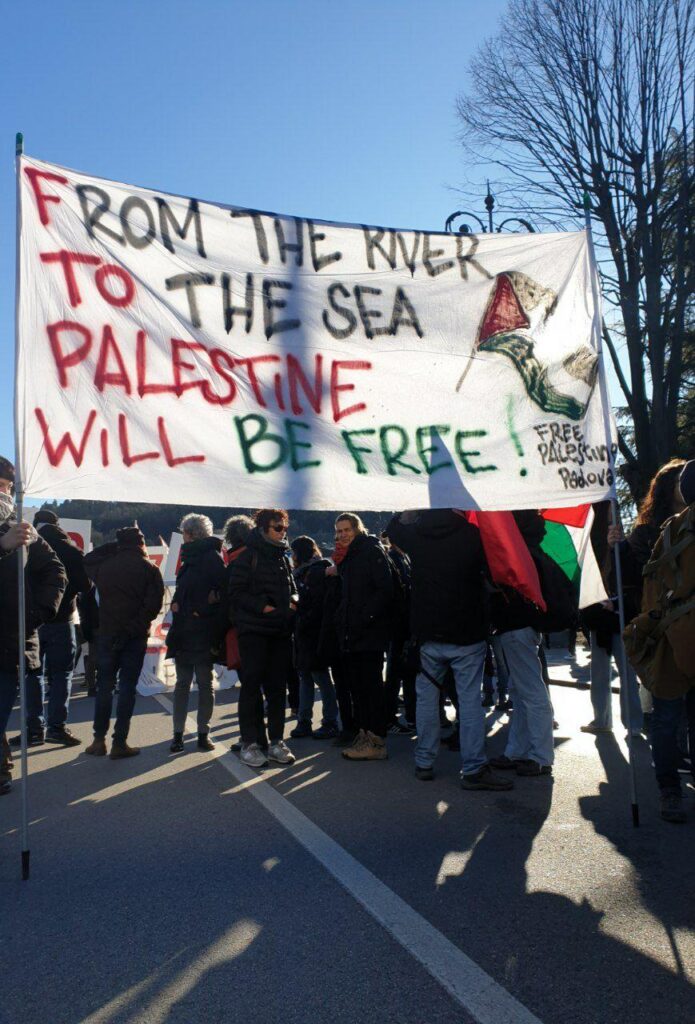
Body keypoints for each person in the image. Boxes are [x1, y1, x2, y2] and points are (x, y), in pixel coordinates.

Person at [386, 509, 512, 790]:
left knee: (427, 701)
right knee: (469, 702)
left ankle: (424, 761)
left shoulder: (417, 535)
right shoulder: (473, 535)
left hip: (428, 633)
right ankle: (474, 767)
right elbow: (495, 573)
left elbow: (393, 530)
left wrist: (405, 515)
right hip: (467, 632)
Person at [581, 464, 686, 739]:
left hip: (683, 623)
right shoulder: (647, 532)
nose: (685, 484)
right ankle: (668, 769)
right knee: (664, 695)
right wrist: (621, 548)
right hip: (658, 621)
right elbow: (634, 574)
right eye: (678, 480)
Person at [626, 460, 695, 823]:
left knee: (666, 719)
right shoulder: (668, 530)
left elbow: (652, 589)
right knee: (671, 720)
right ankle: (670, 788)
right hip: (677, 634)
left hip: (672, 636)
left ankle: (669, 791)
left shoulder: (670, 530)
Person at [489, 511, 574, 778]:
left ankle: (539, 756)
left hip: (516, 627)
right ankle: (518, 751)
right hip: (522, 627)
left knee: (530, 691)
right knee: (522, 690)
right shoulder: (532, 550)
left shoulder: (519, 553)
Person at [0, 457, 66, 793]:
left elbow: (57, 573)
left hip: (9, 646)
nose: (3, 493)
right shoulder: (9, 535)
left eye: (7, 487)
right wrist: (1, 546)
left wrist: (35, 615)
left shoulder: (26, 530)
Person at [11, 509, 93, 748]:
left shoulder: (25, 545)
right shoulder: (70, 549)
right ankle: (57, 727)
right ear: (58, 524)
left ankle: (34, 729)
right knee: (62, 674)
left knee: (32, 674)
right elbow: (86, 585)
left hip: (31, 620)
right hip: (62, 618)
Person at [83, 527, 164, 759]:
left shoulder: (104, 567)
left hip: (107, 633)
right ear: (140, 543)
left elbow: (87, 559)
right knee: (128, 687)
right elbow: (152, 607)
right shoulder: (150, 569)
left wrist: (114, 546)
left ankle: (98, 740)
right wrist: (131, 629)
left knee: (104, 686)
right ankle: (120, 742)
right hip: (135, 636)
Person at [228, 509, 297, 768]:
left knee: (278, 689)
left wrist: (293, 602)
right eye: (277, 528)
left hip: (280, 631)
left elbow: (292, 588)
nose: (282, 532)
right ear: (262, 528)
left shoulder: (283, 557)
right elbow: (235, 593)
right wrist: (262, 607)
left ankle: (277, 742)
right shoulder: (248, 556)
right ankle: (250, 743)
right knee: (251, 688)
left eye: (284, 528)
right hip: (254, 633)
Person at [333, 513, 393, 761]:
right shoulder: (352, 556)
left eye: (346, 529)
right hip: (354, 634)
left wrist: (364, 619)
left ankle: (376, 742)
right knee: (359, 689)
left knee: (370, 689)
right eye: (339, 531)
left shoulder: (370, 551)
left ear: (357, 529)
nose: (342, 534)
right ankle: (365, 735)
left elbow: (385, 590)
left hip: (368, 634)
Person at [166, 514, 226, 753]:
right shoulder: (191, 557)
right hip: (185, 631)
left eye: (184, 533)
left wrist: (200, 610)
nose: (183, 537)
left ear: (191, 534)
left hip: (202, 631)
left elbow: (222, 592)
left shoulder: (210, 557)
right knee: (183, 684)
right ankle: (178, 735)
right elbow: (189, 590)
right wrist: (177, 603)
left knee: (203, 683)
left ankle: (203, 733)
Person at [290, 536, 339, 739]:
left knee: (316, 677)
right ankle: (308, 720)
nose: (291, 556)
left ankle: (325, 721)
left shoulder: (314, 572)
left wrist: (300, 612)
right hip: (308, 633)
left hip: (312, 633)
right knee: (309, 677)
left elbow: (317, 605)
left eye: (293, 552)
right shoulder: (316, 569)